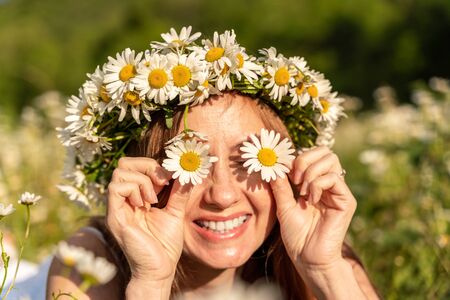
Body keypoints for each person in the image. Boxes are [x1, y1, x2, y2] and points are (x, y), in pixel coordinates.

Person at [46, 27, 379, 299]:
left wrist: (325, 272)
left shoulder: (321, 254)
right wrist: (151, 283)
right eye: (191, 163)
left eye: (249, 160)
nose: (222, 196)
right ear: (145, 174)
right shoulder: (86, 264)